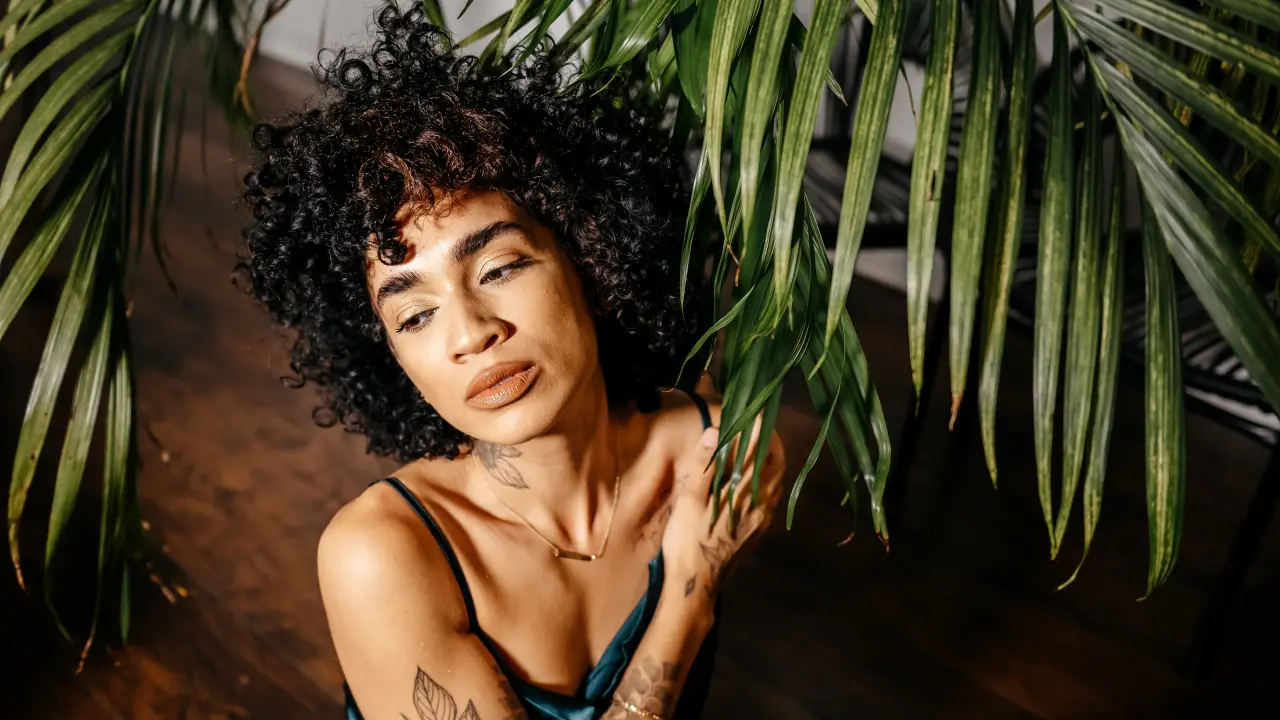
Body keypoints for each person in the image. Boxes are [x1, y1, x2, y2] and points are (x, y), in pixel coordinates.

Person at [239, 4, 786, 719]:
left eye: (498, 268)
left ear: (591, 259)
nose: (470, 334)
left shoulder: (716, 453)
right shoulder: (383, 556)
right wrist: (691, 591)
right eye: (415, 315)